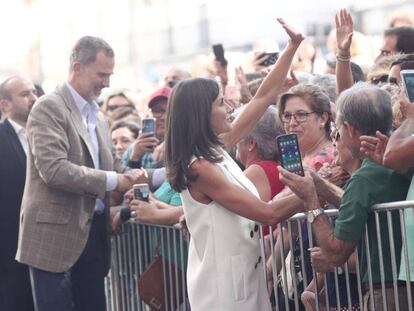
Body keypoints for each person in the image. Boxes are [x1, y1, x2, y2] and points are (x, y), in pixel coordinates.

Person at [165, 18, 304, 310]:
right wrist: (312, 188)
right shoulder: (198, 168)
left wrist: (292, 47)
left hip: (244, 277)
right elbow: (267, 214)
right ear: (201, 114)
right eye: (219, 103)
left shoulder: (217, 148)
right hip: (223, 289)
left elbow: (265, 96)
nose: (228, 107)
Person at [16, 36, 144, 310]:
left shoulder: (97, 115)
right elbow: (54, 170)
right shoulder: (48, 107)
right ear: (77, 67)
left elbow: (111, 167)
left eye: (110, 75)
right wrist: (114, 180)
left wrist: (145, 175)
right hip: (54, 239)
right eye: (101, 74)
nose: (107, 83)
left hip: (94, 235)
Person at [279, 82, 410, 310]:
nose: (333, 135)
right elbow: (363, 206)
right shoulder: (404, 164)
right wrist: (321, 184)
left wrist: (311, 200)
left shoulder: (364, 178)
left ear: (350, 129)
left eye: (336, 130)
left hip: (388, 294)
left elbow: (336, 253)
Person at [0, 76, 37, 311]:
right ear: (5, 105)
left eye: (34, 92)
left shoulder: (46, 134)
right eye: (25, 94)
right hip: (9, 254)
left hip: (46, 250)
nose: (34, 99)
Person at [123, 86, 171, 168]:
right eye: (158, 111)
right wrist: (135, 158)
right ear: (149, 114)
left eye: (170, 111)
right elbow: (123, 179)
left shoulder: (187, 147)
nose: (164, 117)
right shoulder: (133, 149)